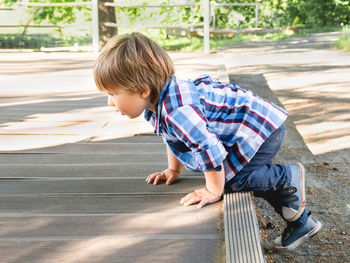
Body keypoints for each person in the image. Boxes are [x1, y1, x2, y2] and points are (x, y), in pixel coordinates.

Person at [93, 32, 322, 251]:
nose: (109, 103)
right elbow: (175, 138)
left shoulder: (178, 111)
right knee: (227, 176)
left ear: (143, 90)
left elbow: (208, 148)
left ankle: (286, 177)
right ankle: (301, 222)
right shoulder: (158, 106)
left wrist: (213, 191)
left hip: (259, 130)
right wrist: (173, 169)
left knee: (229, 181)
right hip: (247, 128)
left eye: (113, 94)